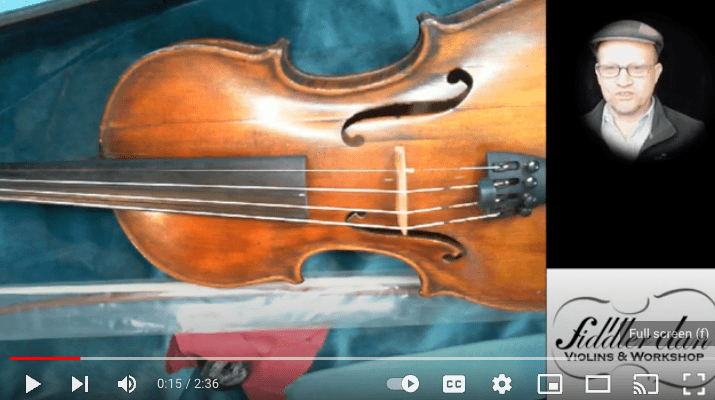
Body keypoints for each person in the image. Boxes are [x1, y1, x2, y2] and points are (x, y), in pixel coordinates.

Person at [583, 20, 705, 162]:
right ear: (598, 75)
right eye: (610, 68)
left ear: (656, 74)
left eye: (637, 68)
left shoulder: (692, 132)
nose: (623, 82)